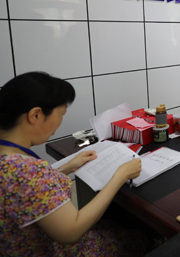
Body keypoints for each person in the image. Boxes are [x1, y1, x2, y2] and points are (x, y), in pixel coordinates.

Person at [0, 72, 147, 256]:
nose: (60, 122)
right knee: (139, 236)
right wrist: (121, 175)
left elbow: (26, 189)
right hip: (56, 250)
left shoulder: (9, 158)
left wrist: (66, 167)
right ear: (35, 115)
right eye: (61, 114)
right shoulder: (25, 170)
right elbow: (72, 231)